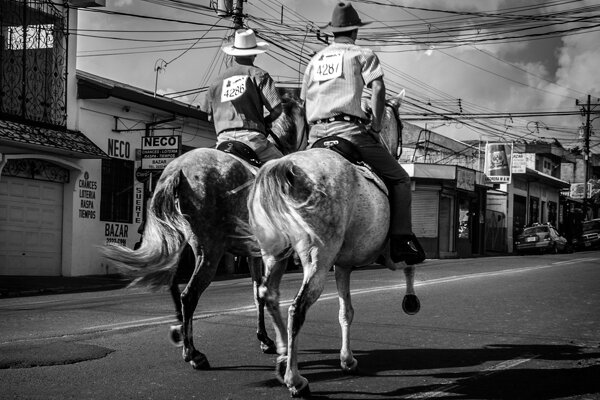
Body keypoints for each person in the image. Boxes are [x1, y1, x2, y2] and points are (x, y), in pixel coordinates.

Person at [301, 2, 424, 265]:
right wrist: (377, 124)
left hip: (315, 137)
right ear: (355, 30)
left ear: (333, 31)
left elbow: (304, 103)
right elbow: (378, 89)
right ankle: (401, 241)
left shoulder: (315, 61)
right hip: (348, 132)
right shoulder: (362, 54)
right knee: (400, 179)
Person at [205, 28, 283, 163]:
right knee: (285, 167)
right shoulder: (259, 75)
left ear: (233, 55)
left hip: (223, 142)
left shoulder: (216, 82)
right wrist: (265, 123)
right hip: (252, 140)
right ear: (255, 54)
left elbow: (209, 116)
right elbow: (277, 109)